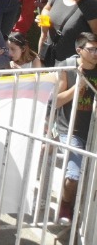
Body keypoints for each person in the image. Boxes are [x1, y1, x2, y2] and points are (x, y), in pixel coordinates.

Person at [53, 31, 97, 225]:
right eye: (92, 49)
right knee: (73, 174)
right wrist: (76, 87)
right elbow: (56, 101)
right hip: (70, 129)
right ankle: (66, 204)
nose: (96, 53)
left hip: (93, 130)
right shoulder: (68, 67)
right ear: (79, 50)